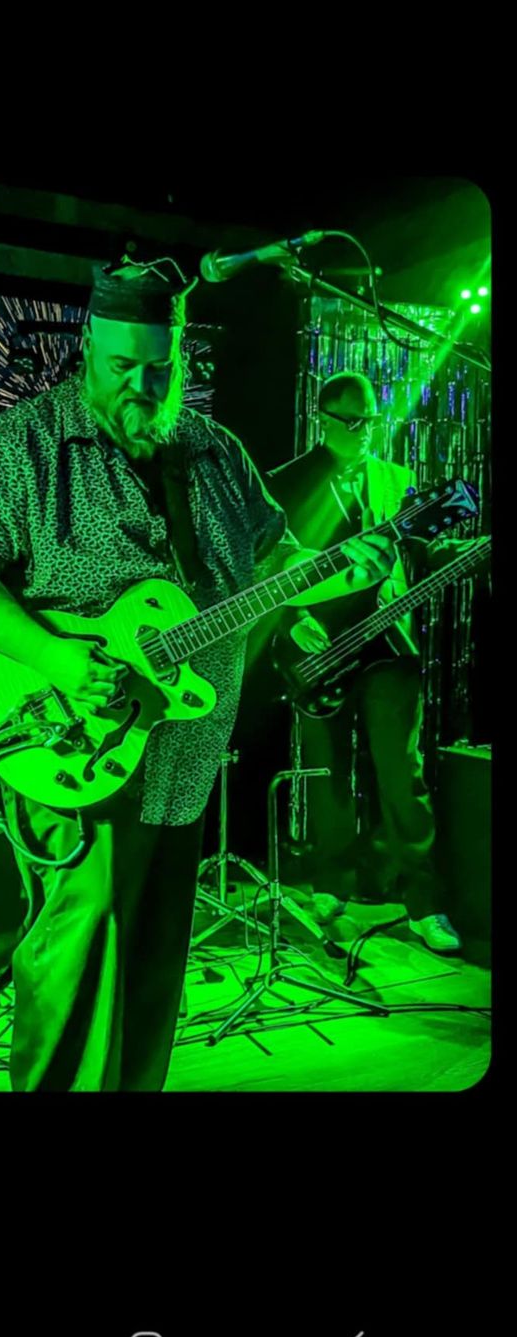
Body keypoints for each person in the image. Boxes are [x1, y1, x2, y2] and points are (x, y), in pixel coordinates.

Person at [0, 261, 395, 1091]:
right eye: (121, 366)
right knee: (80, 966)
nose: (140, 385)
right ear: (88, 349)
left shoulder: (216, 451)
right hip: (76, 742)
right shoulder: (24, 444)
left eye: (158, 368)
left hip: (184, 754)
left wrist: (340, 569)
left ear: (181, 358)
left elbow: (275, 559)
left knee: (154, 972)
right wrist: (55, 655)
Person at [267, 369, 463, 953]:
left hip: (388, 642)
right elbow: (265, 566)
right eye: (351, 422)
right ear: (321, 418)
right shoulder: (283, 483)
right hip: (317, 647)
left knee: (403, 774)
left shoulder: (396, 480)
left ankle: (424, 902)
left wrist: (463, 550)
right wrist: (291, 621)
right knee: (326, 774)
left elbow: (423, 551)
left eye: (371, 421)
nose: (363, 431)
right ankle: (331, 884)